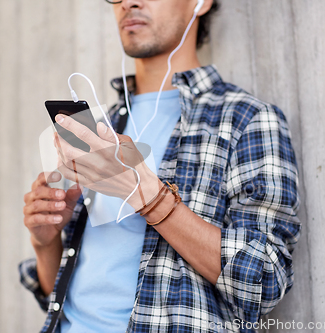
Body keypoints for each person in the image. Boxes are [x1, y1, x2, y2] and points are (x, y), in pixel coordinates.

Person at [19, 0, 301, 332]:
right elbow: (65, 293)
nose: (129, 2)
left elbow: (264, 280)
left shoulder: (245, 120)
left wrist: (149, 198)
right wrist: (46, 242)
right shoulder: (100, 127)